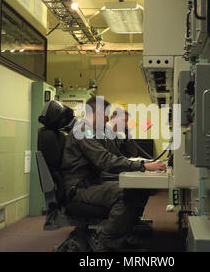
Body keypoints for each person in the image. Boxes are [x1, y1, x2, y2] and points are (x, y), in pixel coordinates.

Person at [60, 96, 167, 250]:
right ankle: (106, 244)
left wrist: (138, 165)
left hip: (93, 182)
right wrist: (142, 166)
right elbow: (105, 160)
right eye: (105, 114)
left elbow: (112, 157)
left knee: (136, 189)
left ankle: (123, 234)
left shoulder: (93, 131)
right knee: (125, 195)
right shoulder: (82, 130)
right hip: (80, 189)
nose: (107, 118)